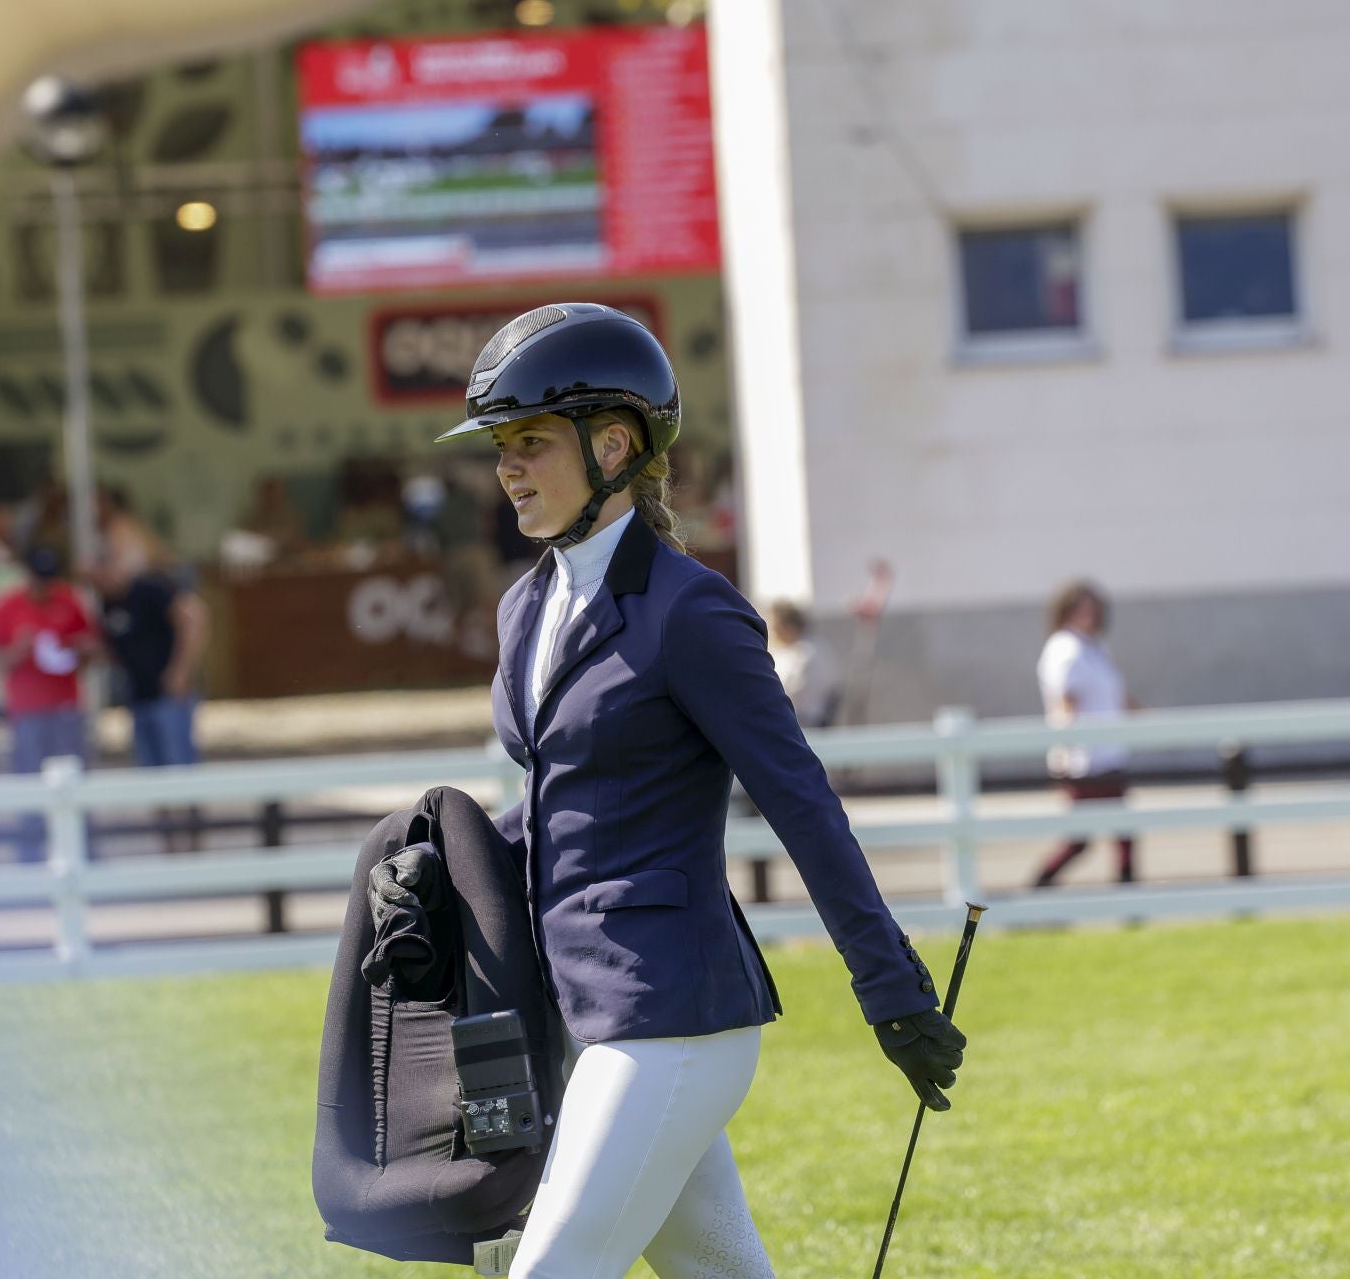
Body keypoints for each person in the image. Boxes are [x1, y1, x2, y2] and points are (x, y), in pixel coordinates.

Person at [409, 302, 966, 1277]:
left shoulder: (692, 612)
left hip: (672, 1012)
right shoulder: (525, 605)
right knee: (720, 1268)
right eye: (501, 445)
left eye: (531, 441)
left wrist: (893, 989)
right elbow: (560, 800)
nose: (507, 467)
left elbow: (802, 801)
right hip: (571, 1005)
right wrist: (446, 859)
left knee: (546, 1270)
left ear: (613, 443)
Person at [0, 546, 97, 858]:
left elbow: (90, 647)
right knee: (29, 781)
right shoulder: (8, 606)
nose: (46, 588)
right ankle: (30, 851)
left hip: (65, 706)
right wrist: (18, 650)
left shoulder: (69, 600)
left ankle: (83, 850)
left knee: (76, 778)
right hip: (27, 710)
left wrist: (81, 650)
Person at [1032, 578, 1144, 887]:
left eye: (1093, 608)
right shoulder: (1064, 649)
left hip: (1110, 754)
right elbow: (1065, 702)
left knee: (1123, 834)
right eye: (1081, 608)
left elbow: (1116, 695)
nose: (1089, 614)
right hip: (1086, 760)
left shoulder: (1094, 648)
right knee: (1081, 840)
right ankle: (1038, 889)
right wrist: (1065, 754)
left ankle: (1129, 899)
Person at [89, 546, 208, 770]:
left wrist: (181, 670)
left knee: (178, 762)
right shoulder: (108, 604)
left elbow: (194, 618)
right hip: (139, 694)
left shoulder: (148, 589)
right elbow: (118, 649)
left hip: (168, 692)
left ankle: (184, 805)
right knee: (149, 767)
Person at [765, 600, 842, 730]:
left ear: (788, 627)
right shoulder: (782, 651)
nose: (772, 633)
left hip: (806, 723)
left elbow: (792, 690)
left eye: (775, 628)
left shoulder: (808, 652)